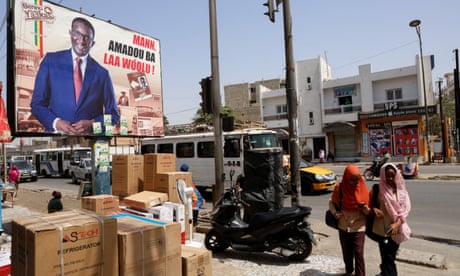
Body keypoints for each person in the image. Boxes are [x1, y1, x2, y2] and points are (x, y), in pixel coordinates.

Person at [31, 17, 120, 135]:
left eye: (87, 38)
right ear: (70, 33)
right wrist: (56, 123)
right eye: (77, 34)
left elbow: (114, 116)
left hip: (90, 143)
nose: (81, 41)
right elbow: (37, 105)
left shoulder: (102, 74)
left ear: (92, 43)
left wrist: (93, 124)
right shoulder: (50, 61)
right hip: (55, 142)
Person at [369, 163, 411, 276]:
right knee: (387, 256)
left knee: (390, 256)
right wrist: (374, 210)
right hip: (382, 229)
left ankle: (384, 272)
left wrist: (397, 224)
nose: (390, 179)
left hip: (397, 229)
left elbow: (406, 210)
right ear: (383, 175)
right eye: (387, 176)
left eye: (392, 175)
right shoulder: (377, 188)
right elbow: (369, 204)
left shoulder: (401, 190)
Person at [329, 164, 370, 276]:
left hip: (359, 224)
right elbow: (331, 203)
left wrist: (365, 208)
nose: (355, 183)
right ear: (346, 178)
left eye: (357, 179)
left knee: (358, 252)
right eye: (352, 180)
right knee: (347, 252)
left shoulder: (362, 188)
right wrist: (334, 213)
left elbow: (368, 211)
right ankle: (349, 270)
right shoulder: (340, 188)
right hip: (343, 224)